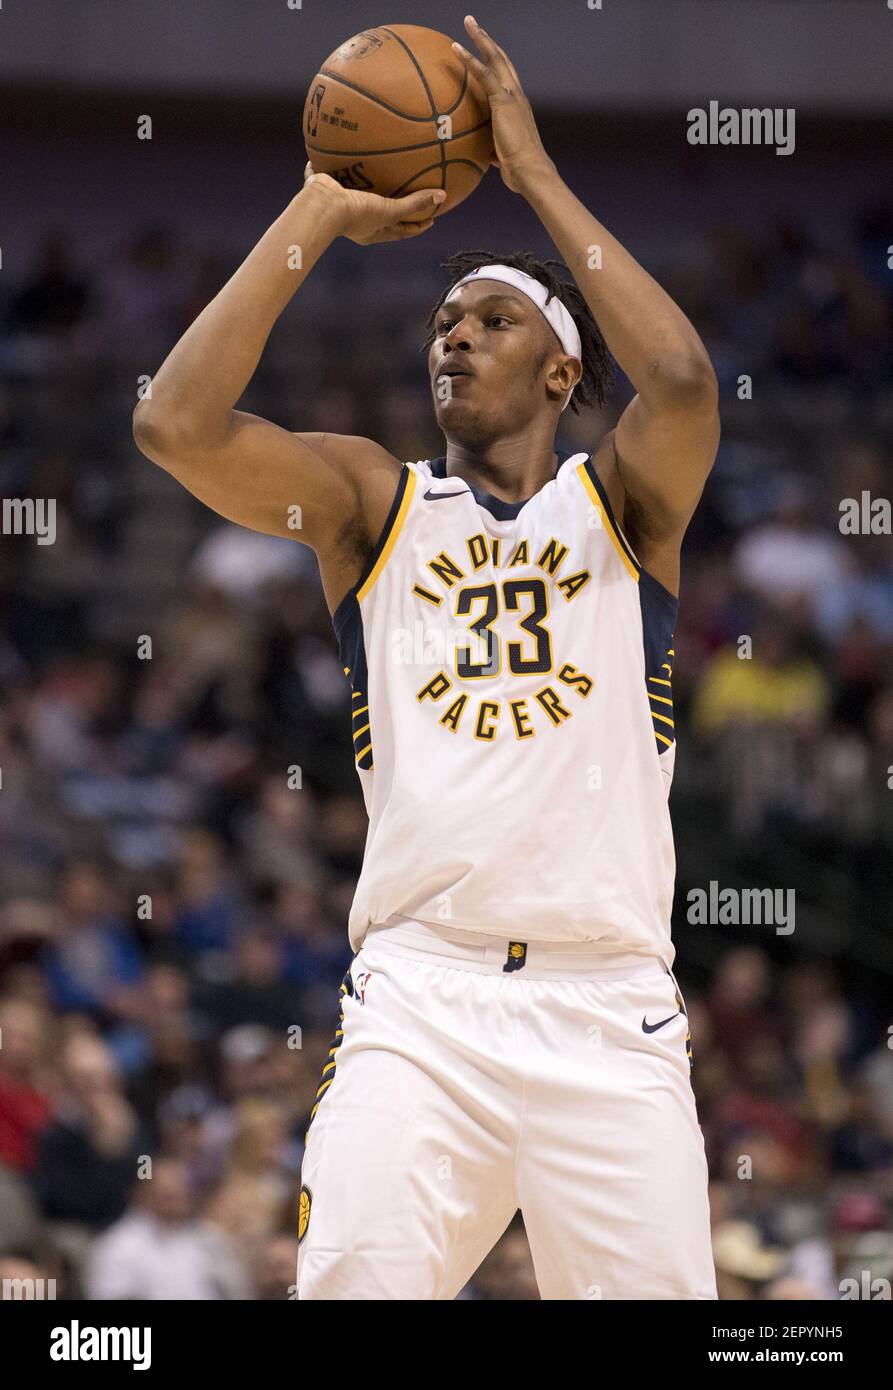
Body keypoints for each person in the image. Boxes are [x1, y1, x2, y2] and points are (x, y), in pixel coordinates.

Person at [133, 17, 719, 1299]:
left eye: (492, 319)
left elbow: (676, 376)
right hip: (421, 997)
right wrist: (313, 213)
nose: (451, 335)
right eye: (443, 320)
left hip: (608, 1003)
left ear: (562, 365)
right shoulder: (368, 504)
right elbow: (174, 424)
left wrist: (534, 175)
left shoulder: (619, 504)